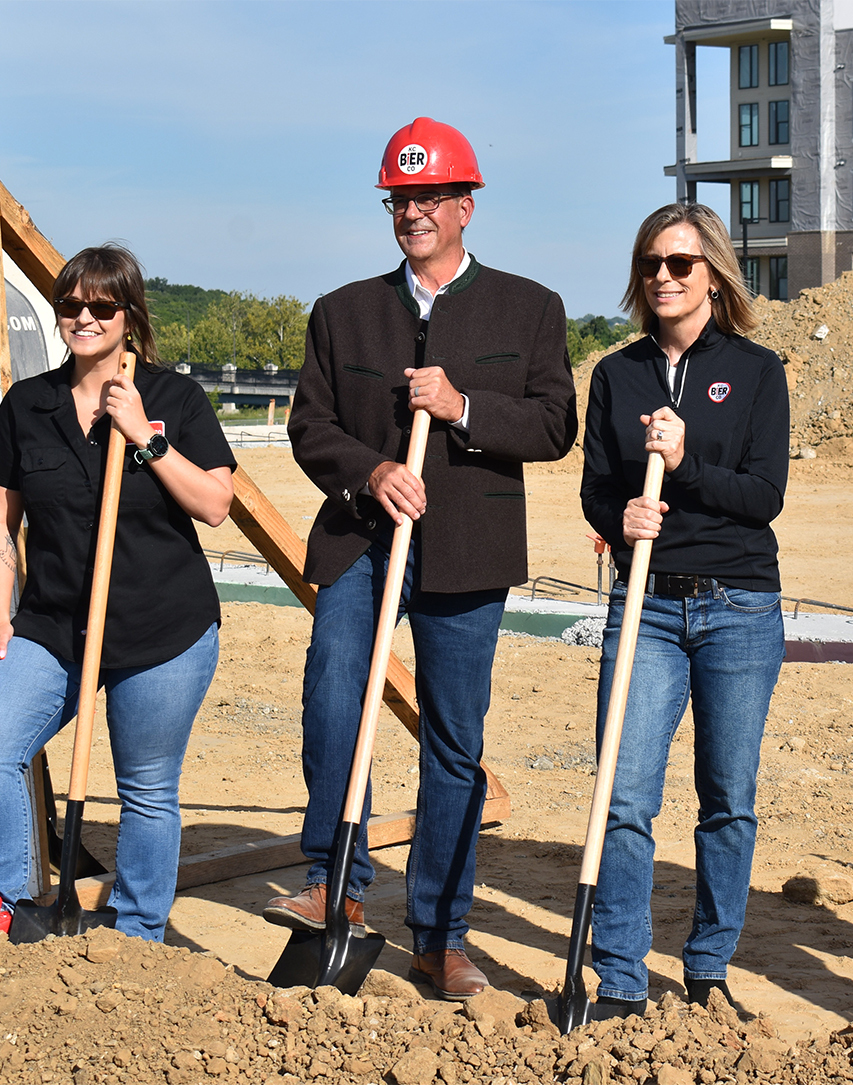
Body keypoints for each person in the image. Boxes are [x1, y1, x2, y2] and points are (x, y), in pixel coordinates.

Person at [266, 117, 575, 1000]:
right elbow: (308, 428)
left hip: (470, 551)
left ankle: (442, 933)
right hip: (363, 536)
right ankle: (336, 879)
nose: (413, 213)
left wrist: (467, 404)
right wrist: (371, 472)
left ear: (466, 205)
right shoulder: (343, 313)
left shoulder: (531, 308)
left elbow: (556, 424)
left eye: (430, 197)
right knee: (334, 689)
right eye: (401, 199)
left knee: (453, 737)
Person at [0, 245, 236, 941]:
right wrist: (0, 617)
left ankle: (137, 931)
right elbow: (0, 520)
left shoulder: (175, 399)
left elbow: (215, 504)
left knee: (145, 784)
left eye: (100, 306)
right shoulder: (29, 405)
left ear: (128, 315)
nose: (83, 317)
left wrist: (144, 436)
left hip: (160, 629)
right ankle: (0, 900)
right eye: (69, 305)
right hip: (54, 627)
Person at [579, 202, 790, 1019]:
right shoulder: (615, 373)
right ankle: (621, 979)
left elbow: (764, 495)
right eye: (651, 264)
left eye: (681, 264)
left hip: (738, 605)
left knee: (726, 797)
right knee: (624, 795)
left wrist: (684, 461)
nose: (663, 277)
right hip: (647, 607)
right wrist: (616, 515)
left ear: (713, 275)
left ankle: (707, 968)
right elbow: (599, 484)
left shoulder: (758, 369)